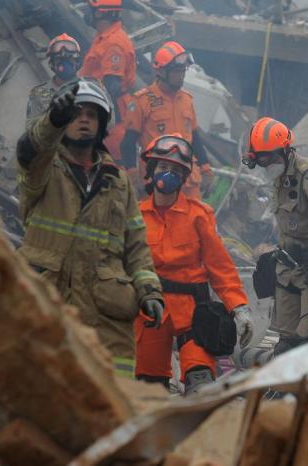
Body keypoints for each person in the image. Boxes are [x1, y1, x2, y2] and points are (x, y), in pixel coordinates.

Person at [16, 78, 164, 377]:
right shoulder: (44, 169)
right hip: (48, 303)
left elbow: (136, 245)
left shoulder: (118, 181)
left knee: (110, 401)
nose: (84, 119)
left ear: (102, 123)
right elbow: (30, 151)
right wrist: (52, 122)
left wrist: (149, 291)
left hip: (104, 316)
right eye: (75, 112)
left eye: (92, 114)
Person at [135, 133, 252, 394]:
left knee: (201, 386)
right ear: (151, 170)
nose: (168, 174)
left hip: (192, 314)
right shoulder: (136, 217)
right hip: (150, 313)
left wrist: (240, 307)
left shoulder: (199, 215)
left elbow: (221, 268)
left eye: (176, 170)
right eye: (163, 167)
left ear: (184, 177)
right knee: (149, 391)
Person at [243, 117, 308, 354]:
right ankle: (285, 389)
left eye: (268, 157)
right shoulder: (280, 178)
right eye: (261, 159)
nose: (266, 164)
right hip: (288, 269)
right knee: (286, 339)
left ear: (284, 150)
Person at [122, 41, 214, 199]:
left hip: (189, 182)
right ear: (162, 71)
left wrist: (206, 169)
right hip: (158, 181)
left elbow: (195, 138)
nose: (182, 76)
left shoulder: (186, 100)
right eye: (177, 71)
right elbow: (127, 143)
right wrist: (132, 174)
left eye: (183, 71)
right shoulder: (142, 101)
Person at [80, 0, 137, 161]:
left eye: (92, 10)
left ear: (101, 13)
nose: (88, 13)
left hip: (111, 114)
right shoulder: (105, 37)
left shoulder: (114, 44)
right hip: (102, 107)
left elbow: (111, 87)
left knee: (111, 161)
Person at [26, 33, 82, 124]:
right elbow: (31, 129)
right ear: (51, 64)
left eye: (70, 59)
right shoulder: (38, 93)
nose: (65, 65)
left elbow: (108, 122)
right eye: (60, 60)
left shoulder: (90, 88)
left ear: (78, 62)